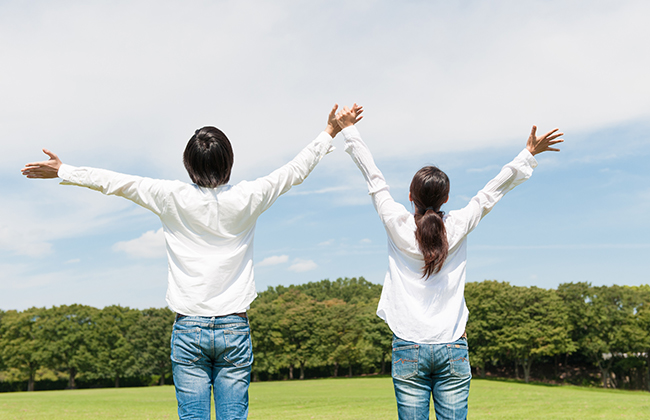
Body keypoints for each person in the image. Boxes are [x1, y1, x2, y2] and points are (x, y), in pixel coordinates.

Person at [21, 104, 362, 420]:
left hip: (188, 329)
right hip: (233, 327)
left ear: (189, 164)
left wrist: (65, 169)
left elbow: (115, 182)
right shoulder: (248, 197)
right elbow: (295, 171)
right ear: (228, 161)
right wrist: (329, 132)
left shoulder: (171, 197)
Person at [335, 105, 563, 420]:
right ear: (446, 197)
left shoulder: (396, 222)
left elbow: (374, 178)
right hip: (453, 346)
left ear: (410, 195)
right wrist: (527, 155)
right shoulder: (456, 225)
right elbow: (490, 192)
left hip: (408, 344)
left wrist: (349, 129)